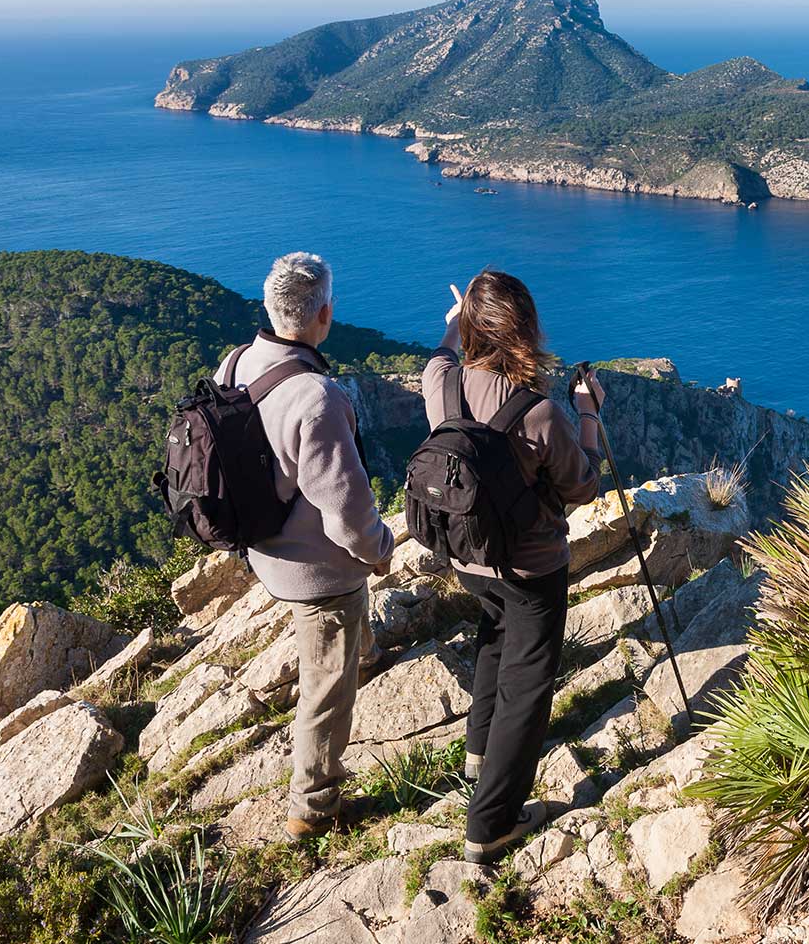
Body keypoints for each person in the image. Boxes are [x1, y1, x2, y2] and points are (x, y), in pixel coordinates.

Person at [426, 270, 606, 863]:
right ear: (526, 329)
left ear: (474, 329)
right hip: (531, 570)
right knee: (527, 690)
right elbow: (583, 487)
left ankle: (479, 751)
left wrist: (456, 327)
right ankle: (491, 824)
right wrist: (588, 415)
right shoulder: (540, 414)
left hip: (466, 555)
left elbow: (443, 355)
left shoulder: (439, 384)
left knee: (494, 638)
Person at [216, 251, 395, 840]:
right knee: (323, 688)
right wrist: (380, 548)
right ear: (324, 315)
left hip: (261, 548)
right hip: (316, 576)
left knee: (343, 639)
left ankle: (364, 652)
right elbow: (347, 511)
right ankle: (312, 807)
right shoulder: (317, 398)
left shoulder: (236, 362)